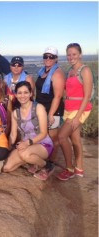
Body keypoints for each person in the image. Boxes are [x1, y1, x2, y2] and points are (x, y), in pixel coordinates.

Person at [56, 43, 93, 181]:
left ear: (80, 54)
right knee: (75, 139)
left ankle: (69, 168)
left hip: (78, 110)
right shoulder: (70, 71)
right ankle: (79, 168)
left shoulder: (85, 70)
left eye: (74, 54)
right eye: (69, 54)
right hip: (69, 108)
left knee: (61, 137)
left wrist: (78, 117)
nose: (71, 57)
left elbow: (87, 95)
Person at [3, 81, 54, 177]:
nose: (23, 96)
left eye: (26, 92)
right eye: (20, 93)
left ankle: (46, 165)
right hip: (26, 145)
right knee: (7, 168)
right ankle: (33, 161)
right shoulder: (15, 113)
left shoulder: (39, 108)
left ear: (31, 93)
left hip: (43, 144)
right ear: (16, 95)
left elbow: (43, 133)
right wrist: (7, 147)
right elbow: (13, 135)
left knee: (25, 154)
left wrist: (27, 143)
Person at [34, 46, 65, 180]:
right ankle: (42, 162)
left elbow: (58, 96)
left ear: (56, 59)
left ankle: (50, 166)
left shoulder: (57, 73)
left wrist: (51, 114)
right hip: (42, 109)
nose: (48, 59)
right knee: (42, 136)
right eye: (46, 56)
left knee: (53, 139)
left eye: (51, 57)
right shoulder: (43, 72)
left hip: (52, 111)